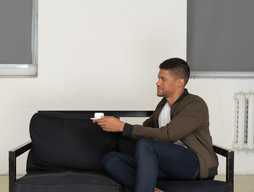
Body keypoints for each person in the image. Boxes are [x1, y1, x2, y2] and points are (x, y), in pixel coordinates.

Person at [93, 58, 218, 192]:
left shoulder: (195, 104)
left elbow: (168, 134)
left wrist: (123, 127)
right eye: (158, 78)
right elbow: (145, 129)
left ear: (180, 82)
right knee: (111, 159)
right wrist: (113, 125)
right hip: (168, 163)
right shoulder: (163, 105)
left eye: (163, 79)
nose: (157, 82)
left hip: (195, 164)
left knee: (147, 145)